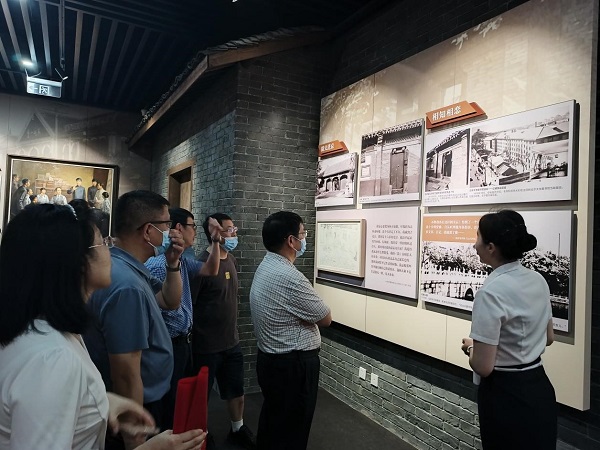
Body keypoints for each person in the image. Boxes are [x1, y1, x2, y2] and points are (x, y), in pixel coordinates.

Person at [0, 203, 206, 450]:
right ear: (76, 262)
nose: (110, 251)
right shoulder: (52, 360)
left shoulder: (46, 332)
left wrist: (104, 401)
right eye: (103, 244)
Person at [84, 190, 185, 449]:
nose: (171, 231)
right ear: (149, 230)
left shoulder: (127, 268)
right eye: (167, 224)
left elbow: (169, 301)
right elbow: (126, 372)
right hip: (137, 404)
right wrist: (135, 433)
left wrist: (173, 262)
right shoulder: (127, 285)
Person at [460, 209, 557, 450]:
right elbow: (549, 337)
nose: (474, 244)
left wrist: (471, 348)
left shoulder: (490, 292)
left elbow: (483, 366)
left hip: (506, 394)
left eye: (477, 236)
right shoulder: (538, 280)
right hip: (539, 388)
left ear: (491, 247)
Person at [249, 211, 332, 450]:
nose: (305, 239)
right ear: (291, 241)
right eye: (303, 234)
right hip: (293, 367)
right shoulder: (290, 276)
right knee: (293, 430)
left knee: (273, 423)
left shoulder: (266, 265)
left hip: (271, 362)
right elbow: (325, 317)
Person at [145, 208, 222, 430]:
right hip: (167, 344)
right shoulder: (159, 265)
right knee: (167, 402)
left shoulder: (183, 261)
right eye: (193, 226)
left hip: (183, 343)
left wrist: (216, 241)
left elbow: (211, 269)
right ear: (179, 228)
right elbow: (166, 306)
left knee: (179, 398)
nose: (195, 232)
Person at [191, 213, 256, 450]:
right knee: (201, 396)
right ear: (214, 233)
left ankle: (237, 428)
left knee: (236, 391)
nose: (233, 233)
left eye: (233, 229)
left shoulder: (232, 260)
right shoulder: (201, 264)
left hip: (231, 342)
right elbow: (190, 304)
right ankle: (201, 435)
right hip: (206, 345)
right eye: (229, 230)